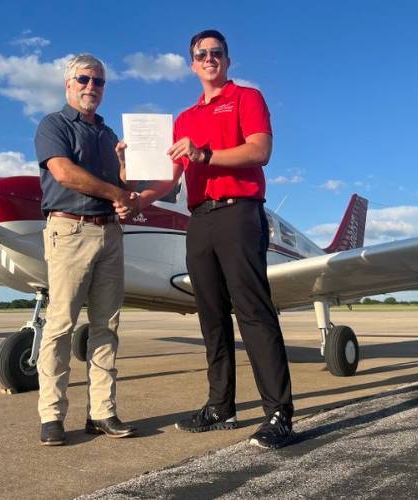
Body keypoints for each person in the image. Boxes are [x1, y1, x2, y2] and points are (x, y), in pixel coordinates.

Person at [126, 30, 294, 449]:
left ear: (227, 59)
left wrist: (205, 155)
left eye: (216, 53)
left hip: (239, 212)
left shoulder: (246, 98)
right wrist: (132, 192)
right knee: (211, 317)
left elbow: (260, 150)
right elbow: (170, 179)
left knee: (252, 311)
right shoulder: (182, 120)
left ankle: (279, 413)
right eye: (201, 54)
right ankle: (221, 406)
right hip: (199, 219)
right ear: (192, 64)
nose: (209, 59)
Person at [34, 53, 139, 446]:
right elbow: (63, 172)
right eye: (84, 79)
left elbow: (124, 184)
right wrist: (117, 192)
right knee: (60, 325)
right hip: (69, 230)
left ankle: (102, 412)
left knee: (106, 327)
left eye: (98, 82)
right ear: (68, 84)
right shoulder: (53, 125)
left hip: (110, 233)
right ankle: (52, 415)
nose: (91, 87)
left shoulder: (110, 136)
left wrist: (126, 169)